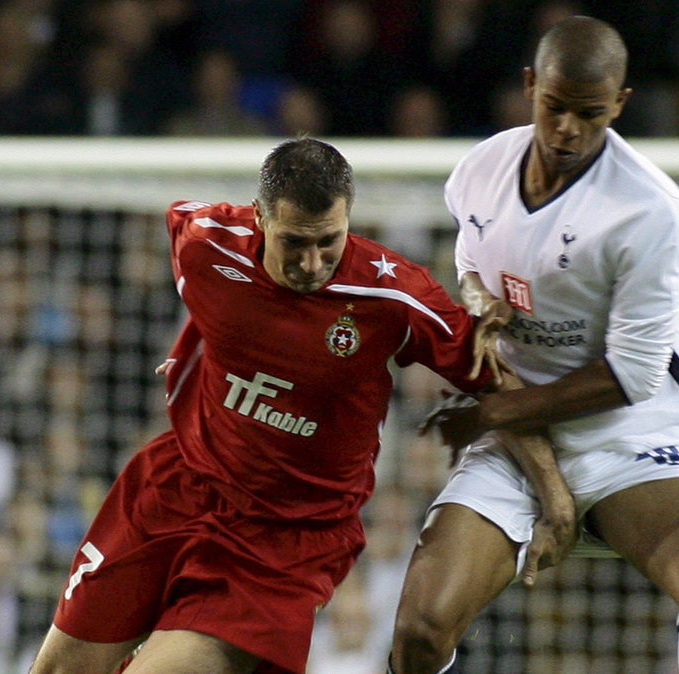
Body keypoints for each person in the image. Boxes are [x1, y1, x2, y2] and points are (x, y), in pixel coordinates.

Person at [28, 137, 519, 674]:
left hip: (285, 544)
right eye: (294, 243)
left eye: (329, 241)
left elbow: (501, 381)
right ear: (260, 218)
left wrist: (554, 488)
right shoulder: (206, 240)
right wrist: (194, 348)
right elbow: (207, 280)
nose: (313, 263)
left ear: (349, 216)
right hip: (177, 486)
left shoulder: (394, 295)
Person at [389, 15, 679, 674]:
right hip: (516, 435)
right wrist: (478, 303)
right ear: (530, 84)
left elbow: (631, 377)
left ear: (619, 104)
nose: (567, 129)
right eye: (554, 107)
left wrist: (495, 413)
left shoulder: (648, 209)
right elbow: (471, 273)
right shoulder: (481, 170)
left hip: (621, 433)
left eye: (590, 114)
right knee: (419, 632)